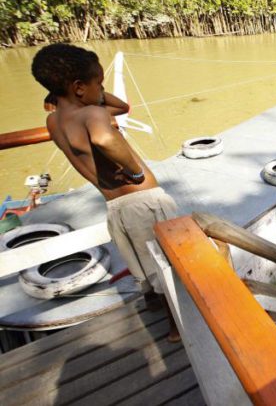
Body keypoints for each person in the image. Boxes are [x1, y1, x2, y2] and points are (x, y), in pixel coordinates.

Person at [31, 43, 180, 342]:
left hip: (116, 206)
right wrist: (135, 171)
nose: (103, 89)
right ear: (78, 88)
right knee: (165, 265)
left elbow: (121, 108)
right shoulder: (91, 116)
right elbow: (102, 137)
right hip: (143, 200)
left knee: (141, 260)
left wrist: (89, 94)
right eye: (99, 83)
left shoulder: (55, 121)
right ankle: (178, 326)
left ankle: (151, 303)